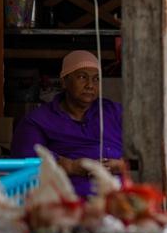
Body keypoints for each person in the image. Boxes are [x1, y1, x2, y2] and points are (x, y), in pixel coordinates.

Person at [11, 50, 124, 197]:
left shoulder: (114, 112)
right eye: (82, 77)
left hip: (118, 199)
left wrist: (122, 165)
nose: (90, 85)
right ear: (64, 81)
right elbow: (25, 160)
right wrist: (70, 166)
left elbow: (144, 150)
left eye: (96, 79)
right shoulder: (38, 120)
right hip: (66, 203)